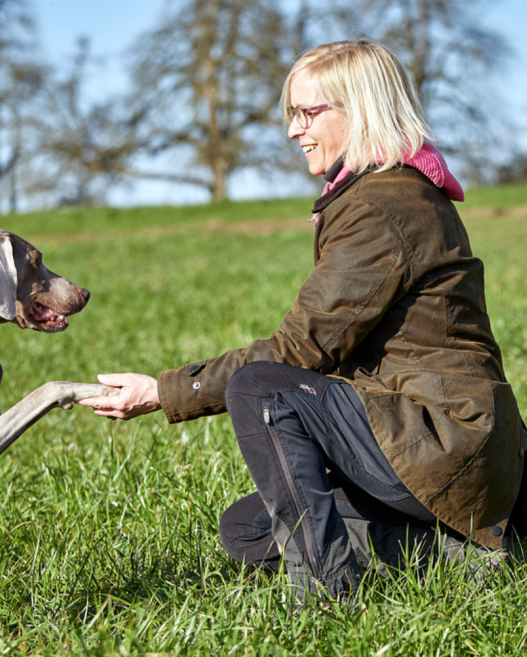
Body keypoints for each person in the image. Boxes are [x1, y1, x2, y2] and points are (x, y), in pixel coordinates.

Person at [78, 40, 526, 604]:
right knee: (247, 530)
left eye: (308, 113)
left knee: (262, 388)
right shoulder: (389, 192)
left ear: (359, 110)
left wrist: (163, 390)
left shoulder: (380, 208)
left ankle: (323, 590)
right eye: (291, 113)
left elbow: (298, 351)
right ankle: (456, 555)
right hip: (452, 444)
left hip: (443, 438)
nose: (294, 130)